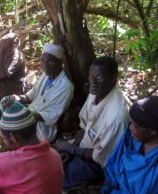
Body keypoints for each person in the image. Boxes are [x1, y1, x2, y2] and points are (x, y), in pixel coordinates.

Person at [53, 56, 129, 189]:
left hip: (98, 163)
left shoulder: (117, 115)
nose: (93, 81)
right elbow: (84, 126)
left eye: (99, 77)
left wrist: (72, 149)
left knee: (58, 181)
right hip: (82, 147)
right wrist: (71, 150)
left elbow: (101, 157)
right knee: (51, 162)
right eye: (91, 75)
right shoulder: (96, 92)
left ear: (113, 78)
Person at [6, 43, 74, 143]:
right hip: (28, 117)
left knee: (13, 134)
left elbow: (48, 116)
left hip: (42, 129)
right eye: (43, 60)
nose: (45, 65)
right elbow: (30, 96)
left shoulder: (65, 86)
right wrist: (16, 98)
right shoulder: (45, 76)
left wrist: (21, 115)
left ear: (60, 62)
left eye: (51, 61)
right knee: (8, 127)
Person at [101, 96, 158, 194]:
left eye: (135, 126)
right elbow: (115, 162)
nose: (130, 127)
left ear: (153, 131)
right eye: (130, 122)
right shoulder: (131, 137)